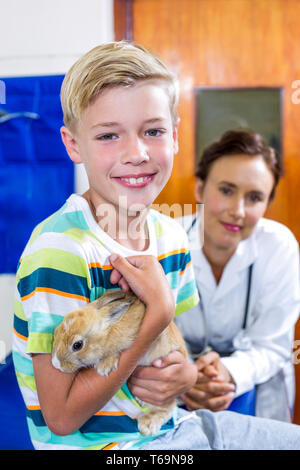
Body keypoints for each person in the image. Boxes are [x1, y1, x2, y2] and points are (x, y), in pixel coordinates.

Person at [12, 42, 300, 450]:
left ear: (176, 137)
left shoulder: (171, 237)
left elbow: (171, 345)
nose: (137, 153)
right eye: (109, 135)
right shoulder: (59, 251)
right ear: (73, 145)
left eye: (153, 131)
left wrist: (184, 376)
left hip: (173, 425)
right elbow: (60, 418)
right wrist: (158, 310)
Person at [174, 129, 300, 421]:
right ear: (199, 189)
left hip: (259, 392)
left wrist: (226, 373)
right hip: (177, 392)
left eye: (254, 197)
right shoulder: (165, 243)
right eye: (226, 190)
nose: (237, 211)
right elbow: (149, 339)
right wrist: (186, 377)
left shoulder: (279, 247)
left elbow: (271, 345)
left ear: (267, 204)